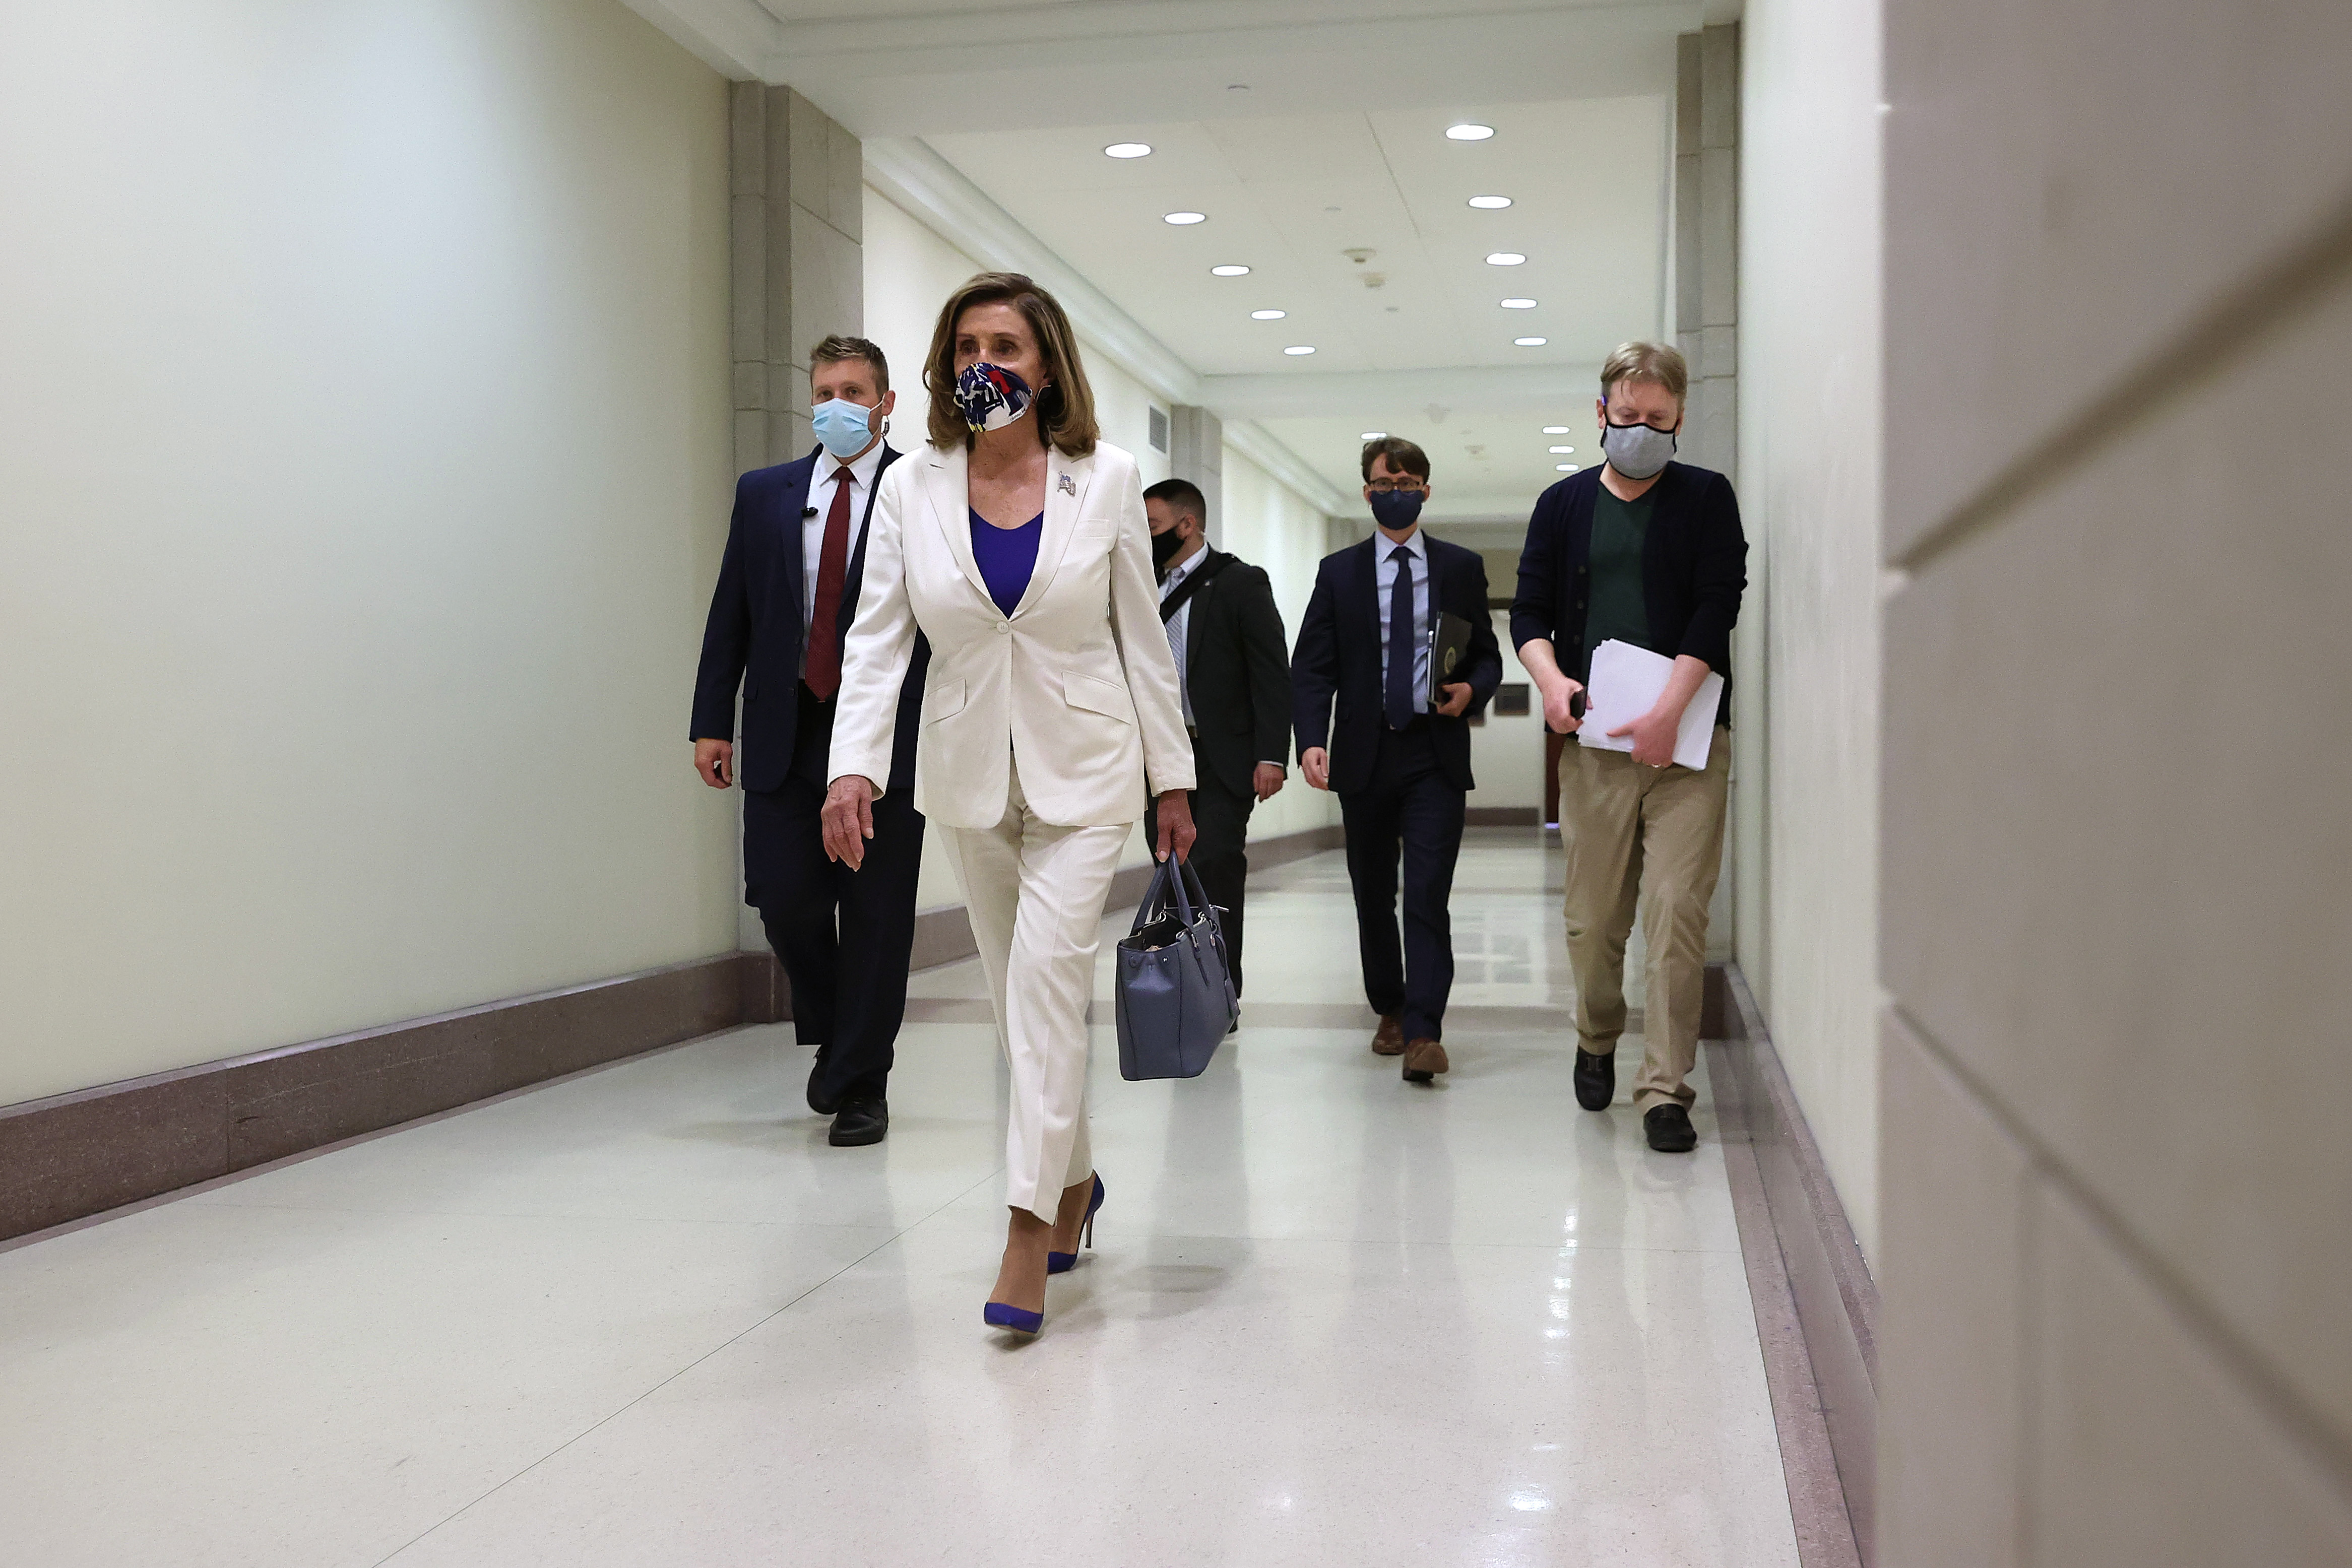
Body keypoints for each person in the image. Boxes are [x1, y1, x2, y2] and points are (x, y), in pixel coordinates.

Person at [822, 273, 1193, 1338]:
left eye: (1009, 346)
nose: (988, 362)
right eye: (969, 344)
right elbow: (878, 636)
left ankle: (1027, 1222)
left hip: (1086, 774)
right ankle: (1074, 1177)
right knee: (1014, 1001)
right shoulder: (912, 487)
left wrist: (1172, 779)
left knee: (1042, 979)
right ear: (944, 366)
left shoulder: (1105, 477)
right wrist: (856, 766)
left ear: (1045, 367)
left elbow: (1139, 638)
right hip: (965, 773)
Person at [1510, 341, 1747, 1154]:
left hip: (1688, 748)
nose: (1639, 428)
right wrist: (1550, 685)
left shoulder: (1707, 500)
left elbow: (1717, 607)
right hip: (1595, 748)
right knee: (1593, 920)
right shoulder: (1563, 504)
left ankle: (1664, 1088)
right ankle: (1596, 1030)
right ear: (1601, 412)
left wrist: (1668, 712)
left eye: (1656, 417)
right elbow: (1530, 613)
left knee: (1675, 912)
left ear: (1679, 415)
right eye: (1626, 414)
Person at [690, 335, 925, 1148]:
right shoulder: (765, 493)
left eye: (854, 390)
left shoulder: (922, 490)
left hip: (891, 735)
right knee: (783, 898)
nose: (837, 404)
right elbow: (735, 609)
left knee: (876, 914)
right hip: (785, 729)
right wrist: (711, 717)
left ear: (886, 403)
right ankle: (840, 1035)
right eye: (825, 389)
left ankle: (861, 1083)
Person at [1292, 437, 1502, 1086]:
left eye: (1408, 480)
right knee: (1372, 892)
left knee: (1427, 894)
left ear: (1426, 491)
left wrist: (1474, 690)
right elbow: (1312, 664)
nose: (1397, 489)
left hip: (1433, 754)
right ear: (1366, 490)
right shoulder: (1340, 572)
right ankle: (1388, 1003)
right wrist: (1309, 738)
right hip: (1364, 752)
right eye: (1385, 481)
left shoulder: (1460, 568)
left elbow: (1487, 655)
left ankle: (1423, 1031)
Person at [1141, 477, 1292, 1002]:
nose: (1145, 536)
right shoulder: (1138, 584)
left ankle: (1220, 992)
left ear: (1188, 525)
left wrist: (1272, 753)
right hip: (1158, 756)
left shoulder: (1238, 583)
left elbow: (1271, 673)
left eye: (1153, 526)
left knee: (1216, 865)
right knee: (1170, 868)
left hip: (1221, 755)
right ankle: (1183, 984)